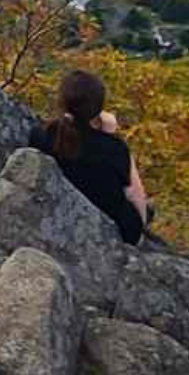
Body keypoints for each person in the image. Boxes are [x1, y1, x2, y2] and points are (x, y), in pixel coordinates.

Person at [30, 68, 150, 245]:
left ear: (62, 102)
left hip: (59, 220)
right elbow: (135, 195)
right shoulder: (114, 149)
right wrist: (111, 137)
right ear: (98, 109)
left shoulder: (41, 136)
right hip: (115, 230)